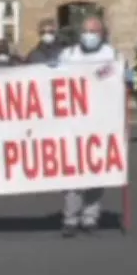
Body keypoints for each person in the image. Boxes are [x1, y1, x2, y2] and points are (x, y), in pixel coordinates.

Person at [56, 15, 119, 237]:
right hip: (72, 124)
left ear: (102, 34)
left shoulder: (111, 55)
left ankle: (90, 215)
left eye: (94, 31)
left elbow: (114, 81)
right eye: (85, 30)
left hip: (99, 123)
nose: (89, 35)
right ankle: (70, 218)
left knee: (96, 171)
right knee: (72, 172)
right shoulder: (68, 55)